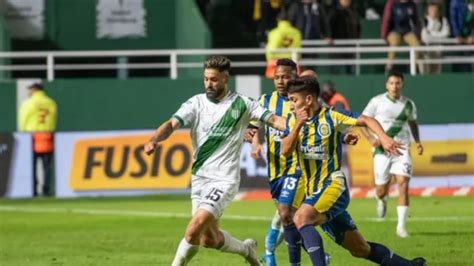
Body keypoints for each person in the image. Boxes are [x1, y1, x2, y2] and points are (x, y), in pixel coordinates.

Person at [143, 56, 286, 266]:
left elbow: (273, 120)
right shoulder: (196, 103)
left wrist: (298, 125)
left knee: (193, 229)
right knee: (209, 239)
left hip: (224, 180)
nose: (209, 84)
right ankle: (247, 249)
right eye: (206, 79)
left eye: (214, 79)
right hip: (200, 179)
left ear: (226, 78)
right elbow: (171, 124)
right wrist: (154, 140)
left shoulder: (242, 104)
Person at [280, 76, 426, 266]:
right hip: (314, 194)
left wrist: (383, 138)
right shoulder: (293, 121)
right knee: (360, 249)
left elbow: (366, 120)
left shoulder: (332, 116)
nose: (291, 105)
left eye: (294, 100)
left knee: (300, 217)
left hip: (333, 186)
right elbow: (284, 150)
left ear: (308, 99)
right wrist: (298, 125)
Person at [250, 60, 358, 266]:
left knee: (285, 213)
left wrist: (344, 138)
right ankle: (314, 255)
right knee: (288, 217)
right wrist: (254, 142)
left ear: (295, 76)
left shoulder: (309, 104)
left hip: (298, 168)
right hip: (276, 170)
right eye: (277, 77)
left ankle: (276, 255)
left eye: (286, 77)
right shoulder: (265, 101)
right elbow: (254, 126)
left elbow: (325, 128)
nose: (281, 81)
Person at [360, 70, 423, 238]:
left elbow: (413, 123)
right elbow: (362, 121)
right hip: (382, 149)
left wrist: (418, 142)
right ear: (387, 85)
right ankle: (382, 199)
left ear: (402, 85)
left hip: (402, 148)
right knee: (381, 190)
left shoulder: (408, 104)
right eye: (392, 83)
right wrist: (370, 139)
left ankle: (401, 228)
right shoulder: (377, 102)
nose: (395, 86)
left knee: (403, 184)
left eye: (398, 83)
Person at [18, 83, 58, 197]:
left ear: (35, 90)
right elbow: (54, 119)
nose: (28, 92)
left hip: (31, 137)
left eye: (30, 90)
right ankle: (46, 190)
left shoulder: (28, 103)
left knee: (32, 165)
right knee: (47, 166)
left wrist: (22, 133)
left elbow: (23, 120)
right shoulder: (51, 102)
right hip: (47, 135)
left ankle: (34, 189)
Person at [381, 0, 423, 73]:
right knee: (394, 44)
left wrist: (418, 35)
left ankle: (413, 67)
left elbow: (416, 21)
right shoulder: (393, 4)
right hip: (395, 31)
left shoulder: (412, 5)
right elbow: (387, 20)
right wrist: (384, 35)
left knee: (417, 45)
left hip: (408, 32)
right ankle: (389, 67)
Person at [265, 11, 302, 79]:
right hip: (292, 62)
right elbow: (298, 50)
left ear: (278, 20)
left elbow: (271, 50)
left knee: (278, 83)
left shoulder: (274, 32)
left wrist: (269, 60)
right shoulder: (296, 32)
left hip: (276, 63)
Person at [327, 0, 361, 74]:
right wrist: (329, 36)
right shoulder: (334, 12)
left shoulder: (353, 12)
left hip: (351, 48)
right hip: (337, 48)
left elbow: (358, 27)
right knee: (336, 71)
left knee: (350, 71)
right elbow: (328, 26)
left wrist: (356, 39)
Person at [421, 1, 450, 73]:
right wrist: (438, 35)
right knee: (426, 72)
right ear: (428, 11)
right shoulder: (424, 21)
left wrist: (431, 33)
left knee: (437, 72)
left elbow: (446, 34)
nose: (433, 12)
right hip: (427, 51)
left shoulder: (443, 20)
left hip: (438, 51)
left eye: (435, 10)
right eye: (431, 10)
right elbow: (425, 38)